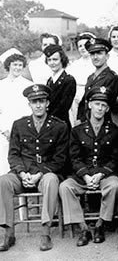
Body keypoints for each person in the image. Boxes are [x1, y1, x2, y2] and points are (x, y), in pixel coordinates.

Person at [0, 84, 68, 251]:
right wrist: (22, 173)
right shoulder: (19, 125)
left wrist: (39, 174)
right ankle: (8, 233)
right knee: (3, 182)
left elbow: (60, 159)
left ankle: (45, 233)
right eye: (34, 101)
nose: (38, 105)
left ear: (47, 103)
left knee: (52, 180)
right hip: (22, 173)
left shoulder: (59, 126)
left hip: (44, 175)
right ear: (29, 104)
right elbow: (13, 154)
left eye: (41, 101)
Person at [60, 86, 118, 247]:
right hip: (83, 175)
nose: (100, 108)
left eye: (103, 105)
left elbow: (115, 159)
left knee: (115, 186)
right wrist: (86, 176)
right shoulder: (77, 131)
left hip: (104, 175)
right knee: (65, 187)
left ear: (107, 108)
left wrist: (100, 174)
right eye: (96, 104)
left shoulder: (114, 131)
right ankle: (83, 228)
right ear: (89, 105)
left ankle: (101, 224)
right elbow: (74, 158)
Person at [0, 54, 32, 175]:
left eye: (20, 65)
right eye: (15, 64)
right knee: (3, 161)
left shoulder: (28, 85)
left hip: (22, 130)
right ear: (9, 65)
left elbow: (29, 110)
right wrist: (4, 130)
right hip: (3, 131)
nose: (17, 68)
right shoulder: (1, 85)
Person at [77, 38, 118, 122]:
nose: (95, 57)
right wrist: (80, 119)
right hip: (87, 122)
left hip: (102, 123)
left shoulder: (111, 78)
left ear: (107, 56)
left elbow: (107, 105)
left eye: (99, 53)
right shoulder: (91, 77)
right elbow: (84, 101)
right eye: (92, 54)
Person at [43, 44, 76, 127]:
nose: (52, 63)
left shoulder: (68, 80)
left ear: (62, 60)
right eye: (49, 60)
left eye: (55, 59)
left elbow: (63, 107)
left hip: (61, 124)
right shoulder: (50, 81)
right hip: (49, 124)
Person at [67, 32, 96, 126]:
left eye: (85, 45)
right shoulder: (74, 65)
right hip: (76, 99)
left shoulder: (97, 64)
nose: (83, 48)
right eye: (80, 46)